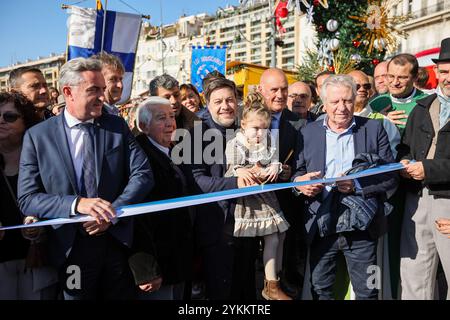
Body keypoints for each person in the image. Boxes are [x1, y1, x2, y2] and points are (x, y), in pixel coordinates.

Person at [17, 57, 154, 300]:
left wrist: (111, 213)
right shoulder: (38, 137)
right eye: (94, 90)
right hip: (72, 252)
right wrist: (76, 204)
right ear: (68, 92)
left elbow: (142, 174)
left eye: (103, 89)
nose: (103, 96)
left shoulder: (116, 126)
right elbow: (28, 198)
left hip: (116, 244)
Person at [293, 74, 397, 300]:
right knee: (320, 290)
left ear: (356, 99)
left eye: (348, 101)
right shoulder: (308, 133)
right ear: (323, 103)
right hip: (321, 222)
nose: (342, 107)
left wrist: (357, 185)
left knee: (369, 291)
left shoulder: (373, 128)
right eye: (335, 102)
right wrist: (300, 184)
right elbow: (297, 173)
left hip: (363, 226)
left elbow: (390, 175)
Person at [182, 77, 258, 300]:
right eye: (218, 102)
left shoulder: (248, 129)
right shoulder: (195, 134)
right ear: (207, 102)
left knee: (245, 289)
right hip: (217, 227)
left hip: (250, 223)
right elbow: (198, 182)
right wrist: (237, 182)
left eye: (230, 100)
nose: (225, 106)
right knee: (220, 292)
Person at [397, 37, 450, 300]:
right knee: (414, 273)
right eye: (444, 71)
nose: (447, 78)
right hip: (416, 200)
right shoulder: (421, 108)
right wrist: (405, 163)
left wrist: (428, 168)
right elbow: (406, 148)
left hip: (448, 202)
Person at [224, 92, 291, 300]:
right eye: (255, 128)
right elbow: (235, 169)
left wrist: (276, 166)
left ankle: (274, 278)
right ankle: (271, 285)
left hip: (266, 196)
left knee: (281, 234)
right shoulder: (236, 144)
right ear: (243, 124)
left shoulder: (267, 143)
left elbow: (273, 161)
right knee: (270, 237)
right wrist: (249, 171)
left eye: (264, 128)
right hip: (248, 202)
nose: (260, 133)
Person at [128, 97, 193, 300]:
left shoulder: (171, 150)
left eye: (172, 117)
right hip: (157, 266)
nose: (169, 123)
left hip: (177, 258)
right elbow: (137, 218)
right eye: (161, 118)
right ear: (143, 126)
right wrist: (147, 269)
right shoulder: (140, 158)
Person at [0, 91, 58, 300]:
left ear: (26, 122)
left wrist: (40, 223)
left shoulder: (45, 159)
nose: (1, 122)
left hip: (37, 259)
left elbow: (58, 200)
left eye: (9, 117)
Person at [258, 68, 307, 298]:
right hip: (251, 198)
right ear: (260, 90)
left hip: (285, 199)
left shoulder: (299, 123)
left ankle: (279, 282)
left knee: (283, 242)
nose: (280, 95)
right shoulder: (244, 118)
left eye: (284, 89)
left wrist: (292, 173)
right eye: (273, 90)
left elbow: (306, 160)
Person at [370, 54, 428, 134]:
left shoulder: (427, 102)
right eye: (391, 76)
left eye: (402, 77)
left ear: (415, 77)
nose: (395, 83)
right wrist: (380, 120)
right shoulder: (376, 103)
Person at [348, 70, 400, 158]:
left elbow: (393, 155)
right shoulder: (335, 120)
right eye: (356, 86)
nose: (362, 89)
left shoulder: (384, 121)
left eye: (366, 86)